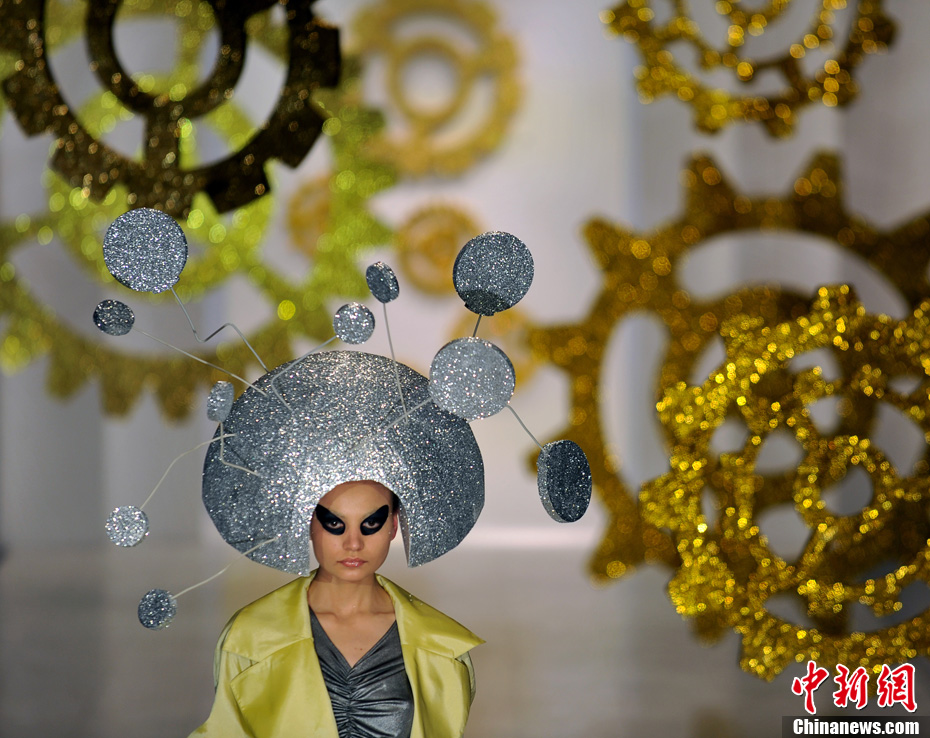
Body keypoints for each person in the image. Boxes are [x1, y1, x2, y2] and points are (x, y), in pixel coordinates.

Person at [190, 479, 482, 738]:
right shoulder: (252, 635)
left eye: (371, 524)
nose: (353, 543)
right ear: (308, 523)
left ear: (393, 526)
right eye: (334, 524)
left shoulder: (441, 643)